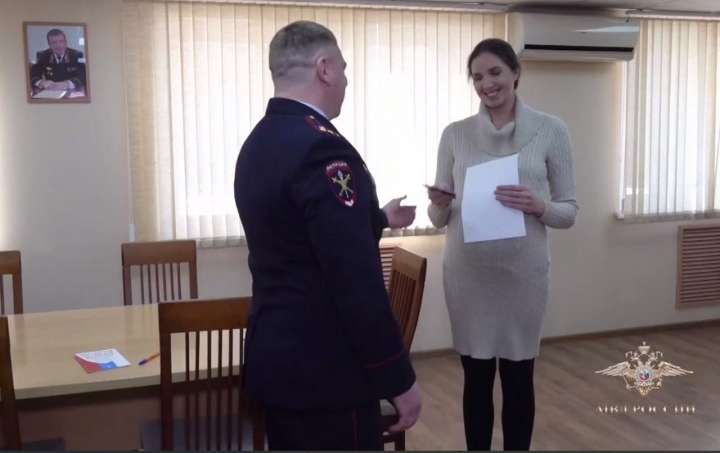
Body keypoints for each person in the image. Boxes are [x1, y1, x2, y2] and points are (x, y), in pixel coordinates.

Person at [234, 20, 422, 450]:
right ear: (324, 69)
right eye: (344, 68)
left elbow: (297, 235)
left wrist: (377, 219)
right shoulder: (323, 148)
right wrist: (397, 377)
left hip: (279, 362)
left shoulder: (258, 143)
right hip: (327, 375)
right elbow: (355, 278)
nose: (347, 80)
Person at [427, 38, 578, 450]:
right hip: (468, 277)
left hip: (522, 278)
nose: (486, 84)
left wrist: (539, 205)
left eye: (494, 72)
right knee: (475, 378)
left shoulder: (550, 130)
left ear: (515, 73)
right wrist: (438, 203)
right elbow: (439, 218)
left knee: (518, 378)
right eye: (477, 77)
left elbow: (569, 212)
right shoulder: (455, 134)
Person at [30, 28, 86, 93]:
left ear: (65, 42)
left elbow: (83, 76)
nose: (58, 45)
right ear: (49, 44)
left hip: (71, 91)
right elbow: (33, 75)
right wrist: (41, 82)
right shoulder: (43, 55)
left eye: (61, 41)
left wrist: (67, 84)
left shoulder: (76, 55)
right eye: (54, 42)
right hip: (51, 91)